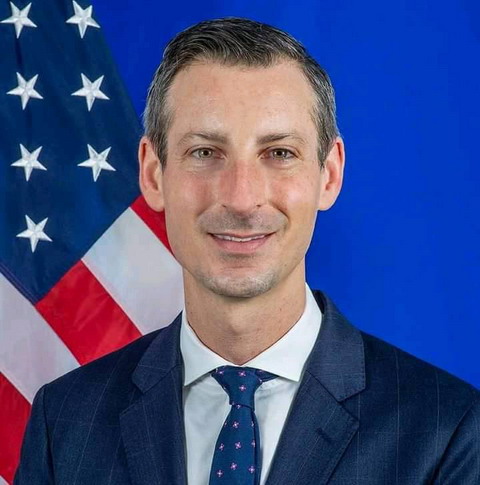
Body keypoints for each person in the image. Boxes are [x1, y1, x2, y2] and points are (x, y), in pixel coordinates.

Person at [15, 17, 479, 485]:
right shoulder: (65, 422)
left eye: (279, 153)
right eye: (204, 152)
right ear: (154, 174)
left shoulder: (447, 431)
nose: (241, 198)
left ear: (329, 174)